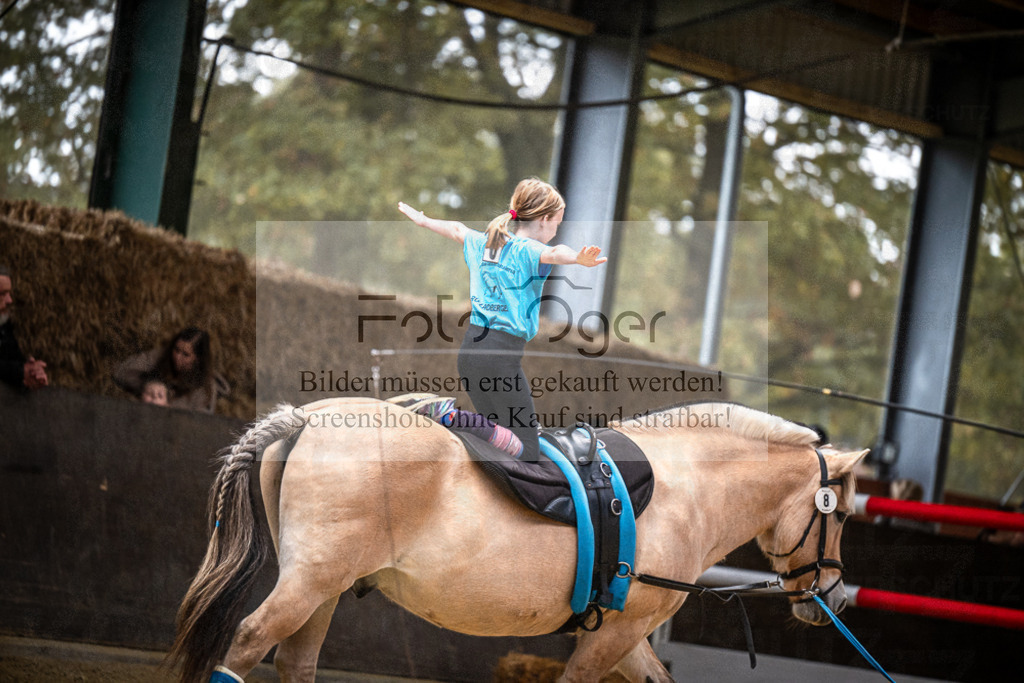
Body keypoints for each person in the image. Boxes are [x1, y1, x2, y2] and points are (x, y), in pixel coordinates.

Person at [398, 178, 607, 461]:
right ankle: (450, 416)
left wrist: (424, 221)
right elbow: (555, 252)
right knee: (528, 449)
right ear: (544, 219)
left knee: (499, 440)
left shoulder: (487, 242)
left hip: (470, 352)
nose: (556, 230)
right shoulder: (528, 250)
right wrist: (578, 259)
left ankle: (453, 421)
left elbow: (457, 229)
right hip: (500, 357)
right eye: (557, 222)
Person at [113, 326, 229, 413]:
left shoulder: (205, 388)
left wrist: (169, 410)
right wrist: (148, 385)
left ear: (198, 359)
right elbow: (121, 372)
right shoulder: (162, 357)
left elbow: (199, 424)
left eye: (185, 354)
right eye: (176, 350)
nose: (178, 357)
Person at [0, 265, 49, 391]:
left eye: (9, 293)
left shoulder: (4, 327)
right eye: (2, 294)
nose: (9, 300)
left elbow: (12, 358)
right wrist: (21, 371)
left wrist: (32, 372)